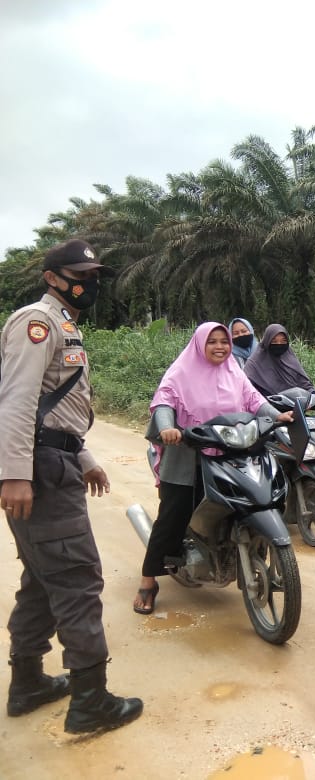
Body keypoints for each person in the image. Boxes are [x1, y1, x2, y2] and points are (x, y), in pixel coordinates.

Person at [0, 238, 143, 734]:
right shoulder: (35, 324)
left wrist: (82, 456)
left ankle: (29, 682)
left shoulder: (64, 326)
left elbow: (52, 410)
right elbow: (17, 402)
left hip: (54, 460)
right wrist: (15, 474)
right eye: (81, 274)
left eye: (95, 274)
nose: (91, 283)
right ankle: (91, 702)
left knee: (43, 577)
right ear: (53, 278)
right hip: (39, 473)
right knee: (78, 579)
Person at [134, 323, 292, 615]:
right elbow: (164, 402)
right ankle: (148, 580)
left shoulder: (234, 371)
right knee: (174, 513)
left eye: (224, 341)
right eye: (213, 342)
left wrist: (278, 415)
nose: (220, 347)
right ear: (199, 345)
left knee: (251, 498)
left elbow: (254, 401)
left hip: (231, 452)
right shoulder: (181, 372)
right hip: (187, 455)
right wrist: (168, 428)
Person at [244, 324, 315, 406]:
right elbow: (247, 392)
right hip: (266, 414)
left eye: (283, 341)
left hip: (296, 412)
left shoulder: (290, 359)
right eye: (274, 341)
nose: (279, 344)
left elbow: (304, 384)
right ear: (267, 342)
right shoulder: (253, 364)